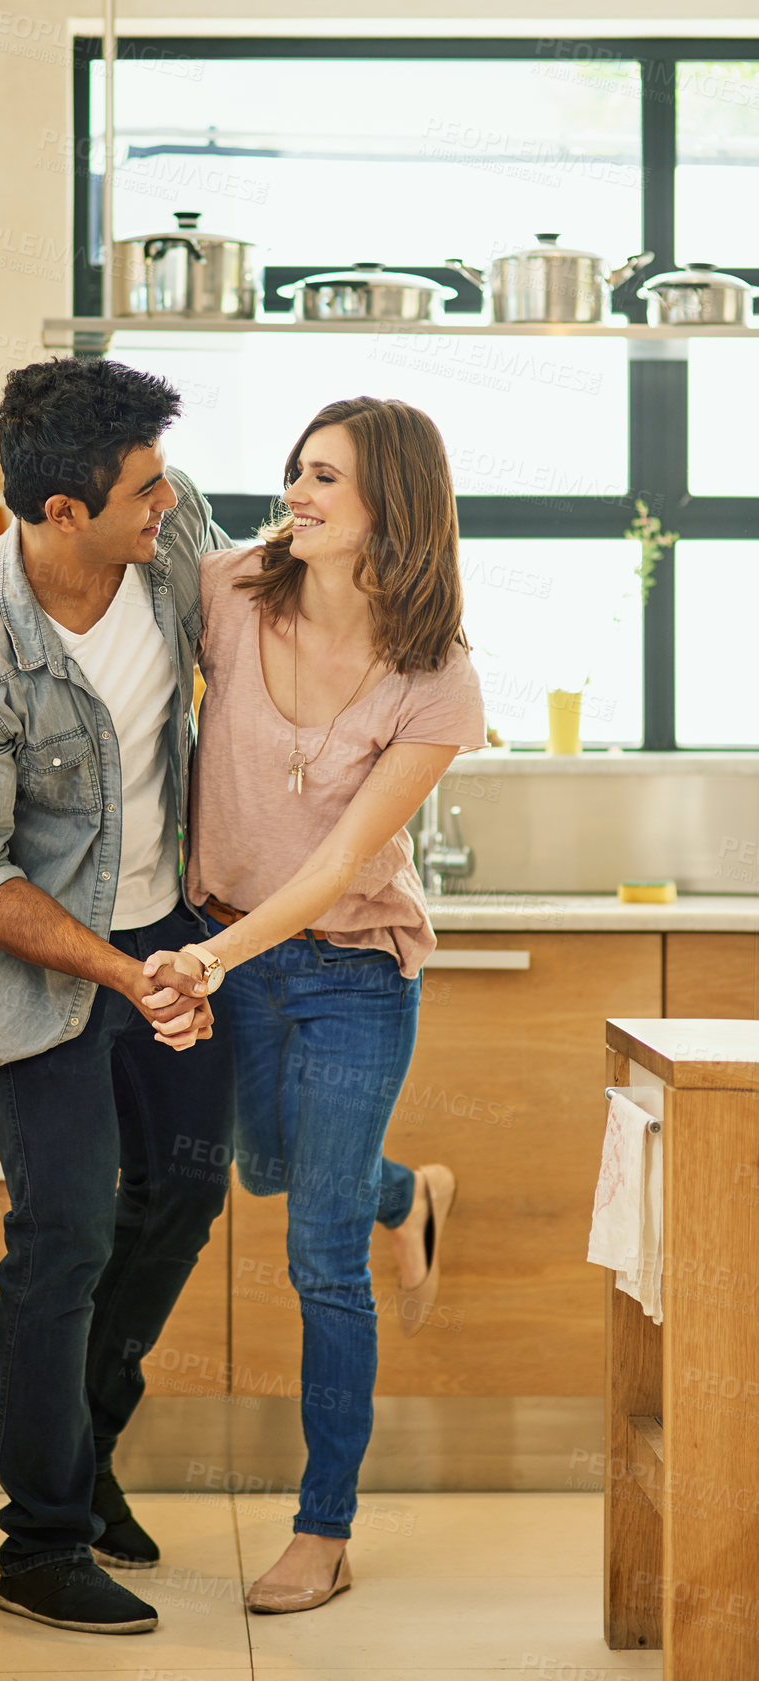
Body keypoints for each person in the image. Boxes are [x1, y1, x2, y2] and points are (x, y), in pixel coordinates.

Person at [0, 358, 235, 1637]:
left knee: (188, 1184)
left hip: (168, 930)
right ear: (56, 512)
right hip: (38, 974)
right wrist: (121, 973)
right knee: (65, 1235)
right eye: (142, 489)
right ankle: (38, 1545)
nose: (169, 502)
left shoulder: (167, 530)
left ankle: (83, 1453)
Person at [138, 395, 488, 1615]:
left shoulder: (434, 678)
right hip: (226, 944)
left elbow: (340, 866)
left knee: (319, 1257)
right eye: (295, 468)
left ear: (390, 503)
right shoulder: (230, 594)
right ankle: (409, 1188)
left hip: (347, 967)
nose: (297, 490)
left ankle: (321, 1527)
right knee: (266, 1165)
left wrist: (210, 958)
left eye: (325, 477)